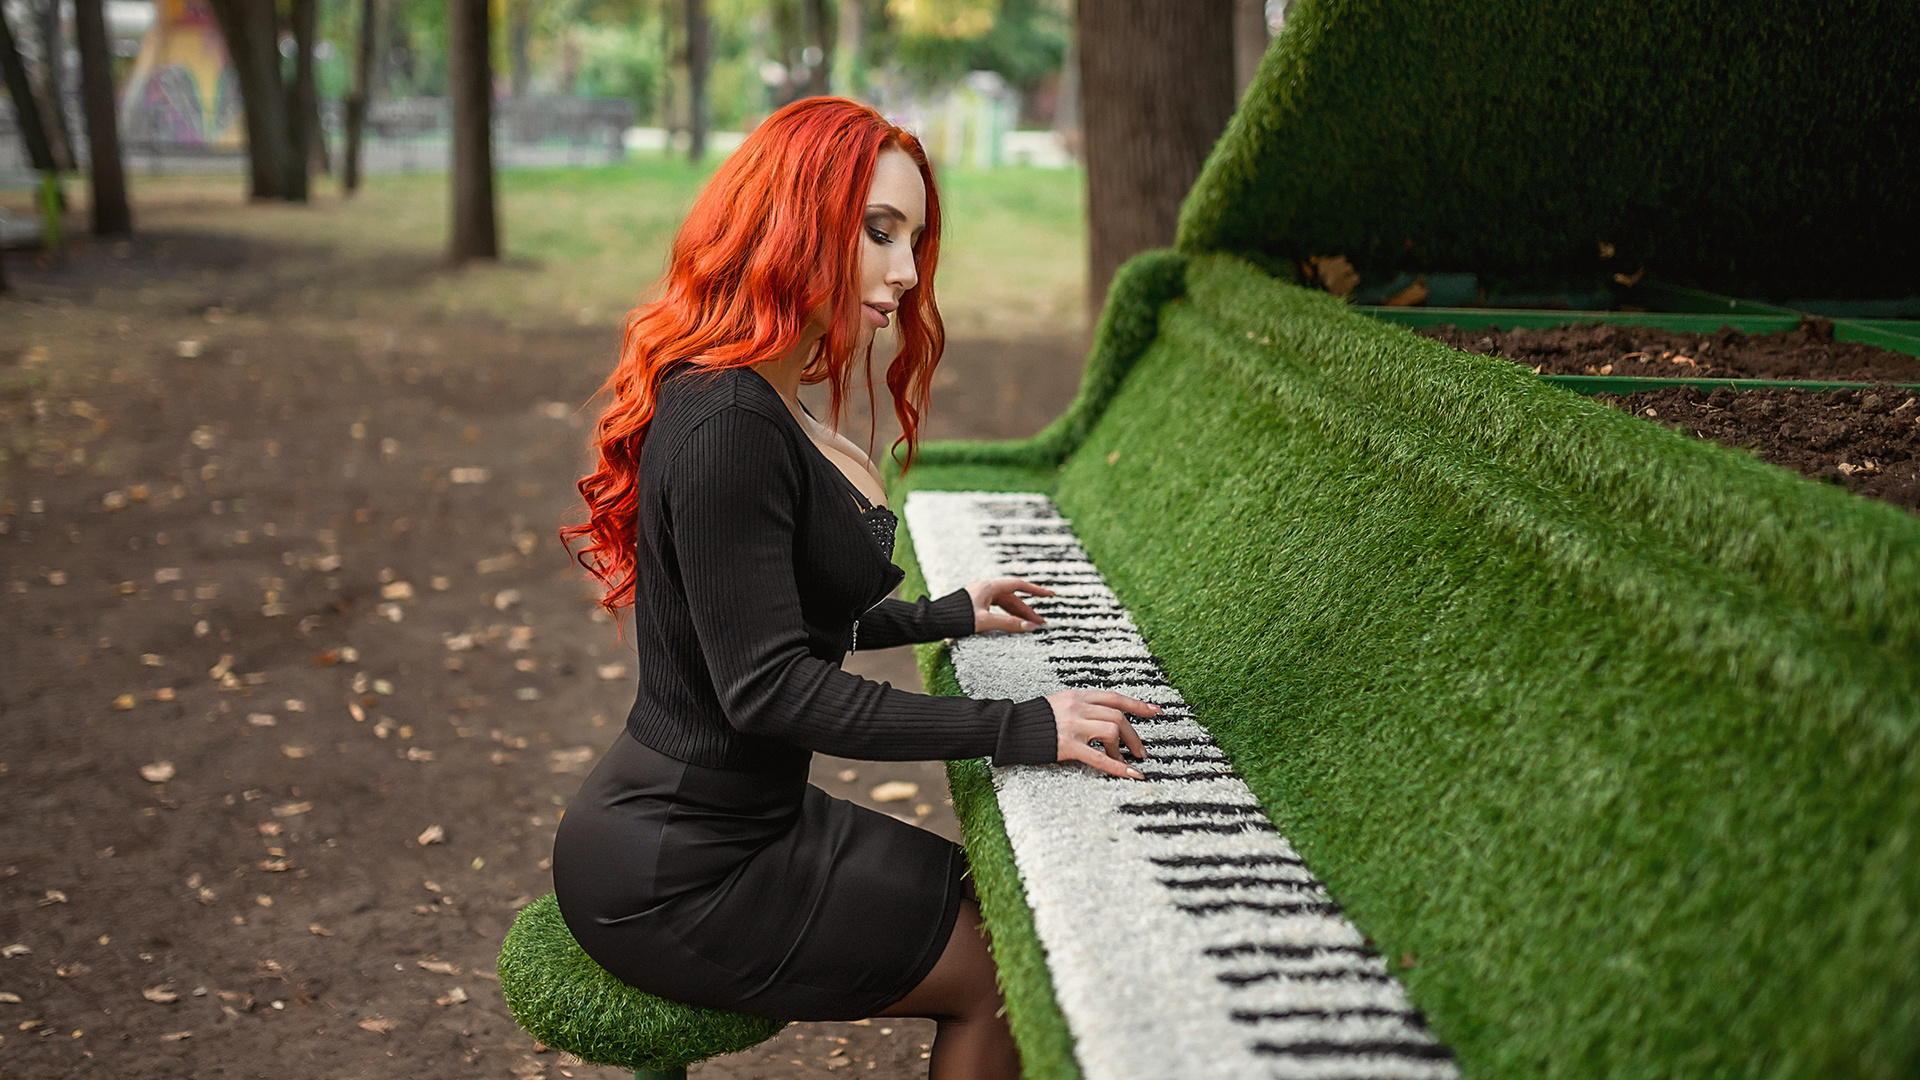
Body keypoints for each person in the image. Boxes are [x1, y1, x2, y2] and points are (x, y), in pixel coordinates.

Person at [552, 96, 1159, 1080]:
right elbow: (770, 687)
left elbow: (773, 609)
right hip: (676, 870)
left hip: (748, 825)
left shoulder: (759, 392)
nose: (907, 272)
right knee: (1006, 971)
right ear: (794, 219)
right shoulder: (727, 424)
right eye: (879, 232)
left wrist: (946, 614)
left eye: (915, 239)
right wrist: (1021, 726)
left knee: (1007, 906)